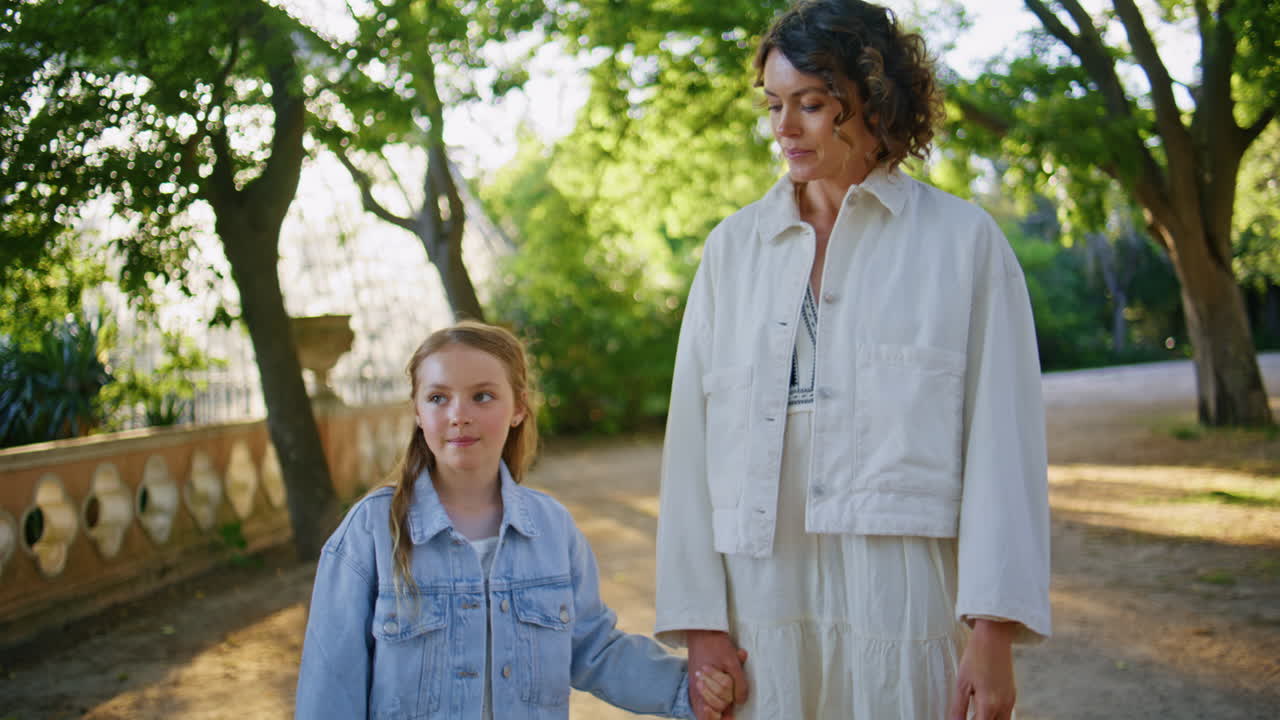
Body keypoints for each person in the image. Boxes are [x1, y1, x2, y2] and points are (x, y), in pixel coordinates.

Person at [654, 1, 1052, 719]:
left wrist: (992, 630)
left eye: (811, 104)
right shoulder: (731, 252)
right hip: (761, 597)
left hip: (904, 601)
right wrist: (701, 626)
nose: (784, 127)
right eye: (774, 104)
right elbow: (690, 445)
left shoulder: (962, 244)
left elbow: (1004, 446)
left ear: (877, 100)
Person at [295, 321, 740, 719]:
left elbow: (594, 649)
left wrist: (691, 689)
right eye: (438, 398)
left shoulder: (552, 528)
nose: (459, 415)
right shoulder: (373, 530)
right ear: (417, 412)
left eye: (482, 396)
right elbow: (331, 679)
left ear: (519, 408)